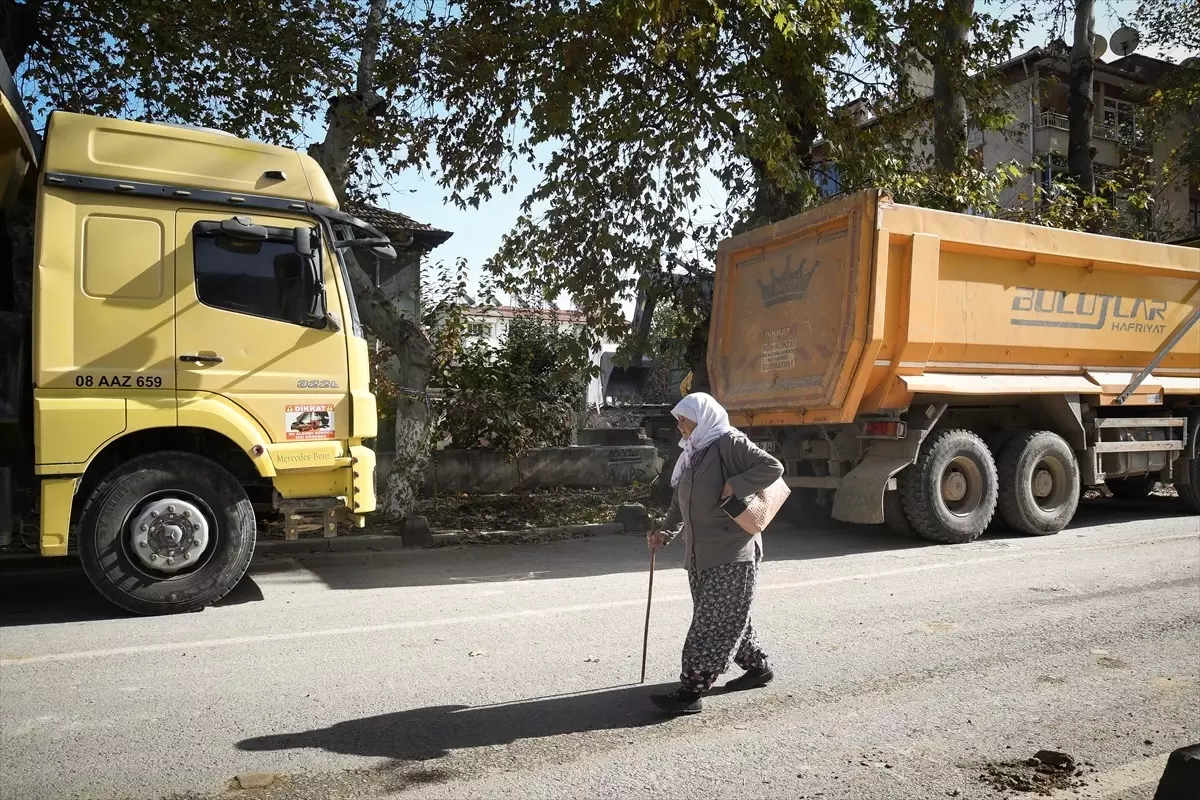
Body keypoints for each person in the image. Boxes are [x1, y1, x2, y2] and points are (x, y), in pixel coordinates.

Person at [647, 392, 785, 714]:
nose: (680, 425)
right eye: (678, 419)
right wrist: (665, 533)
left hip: (733, 553)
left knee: (711, 624)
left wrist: (735, 484)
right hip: (699, 554)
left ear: (703, 417)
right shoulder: (690, 453)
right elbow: (680, 501)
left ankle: (690, 691)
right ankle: (757, 666)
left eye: (686, 419)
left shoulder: (728, 443)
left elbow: (772, 467)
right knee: (726, 617)